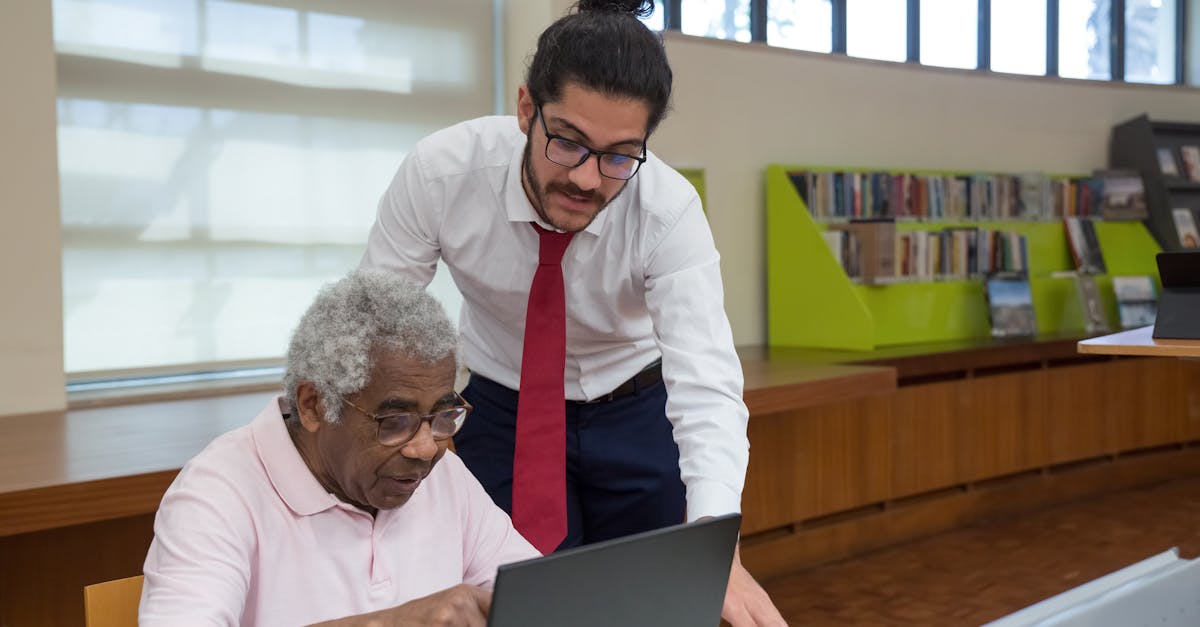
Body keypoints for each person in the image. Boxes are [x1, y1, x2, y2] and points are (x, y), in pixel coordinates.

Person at [360, 1, 785, 624]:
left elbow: (707, 385)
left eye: (618, 155)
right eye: (568, 143)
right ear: (527, 108)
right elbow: (379, 324)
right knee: (515, 603)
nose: (587, 179)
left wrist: (719, 545)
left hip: (636, 409)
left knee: (657, 604)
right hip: (502, 409)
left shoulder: (667, 210)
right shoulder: (442, 173)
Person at [138, 270, 539, 626]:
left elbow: (541, 602)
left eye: (441, 416)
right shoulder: (217, 494)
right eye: (393, 422)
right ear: (314, 405)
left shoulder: (443, 475)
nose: (425, 449)